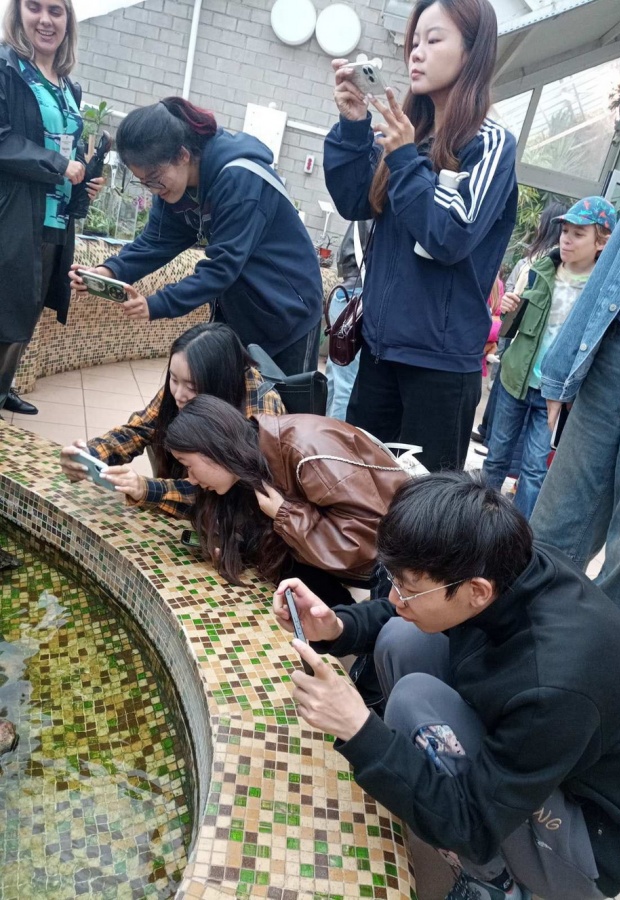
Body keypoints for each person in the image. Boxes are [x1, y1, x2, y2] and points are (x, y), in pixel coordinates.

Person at [274, 472, 620, 900]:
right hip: (540, 756)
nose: (394, 598)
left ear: (477, 592)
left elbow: (475, 827)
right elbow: (403, 613)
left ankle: (496, 883)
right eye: (394, 580)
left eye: (407, 589)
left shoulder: (553, 685)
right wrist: (336, 625)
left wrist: (359, 731)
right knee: (403, 638)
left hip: (597, 839)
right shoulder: (498, 565)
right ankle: (433, 789)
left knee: (411, 702)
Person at [324, 0, 518, 472]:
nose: (416, 52)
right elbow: (354, 202)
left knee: (422, 508)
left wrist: (405, 158)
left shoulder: (489, 143)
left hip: (440, 371)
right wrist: (354, 126)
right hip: (379, 353)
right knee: (360, 490)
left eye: (433, 40)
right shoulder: (407, 136)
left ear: (472, 51)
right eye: (414, 42)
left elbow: (450, 235)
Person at [530, 140, 620, 654]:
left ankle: (596, 690)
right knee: (551, 533)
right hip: (613, 346)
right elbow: (614, 266)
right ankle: (512, 664)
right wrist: (562, 369)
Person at [70, 97, 323, 376]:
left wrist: (156, 304)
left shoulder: (239, 179)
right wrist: (108, 271)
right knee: (229, 400)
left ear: (182, 155)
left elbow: (222, 268)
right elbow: (156, 242)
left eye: (154, 178)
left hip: (288, 311)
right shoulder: (175, 188)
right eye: (144, 183)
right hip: (241, 310)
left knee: (284, 404)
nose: (153, 190)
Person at [164, 394, 409, 604]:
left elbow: (367, 541)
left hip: (401, 555)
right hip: (337, 562)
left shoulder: (305, 451)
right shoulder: (248, 459)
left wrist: (285, 514)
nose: (191, 479)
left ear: (213, 449)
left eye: (189, 465)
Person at [59, 323, 284, 518]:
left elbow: (233, 494)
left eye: (192, 387)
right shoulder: (181, 391)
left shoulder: (261, 414)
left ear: (220, 382)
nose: (179, 395)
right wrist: (91, 455)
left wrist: (146, 489)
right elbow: (138, 430)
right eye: (174, 380)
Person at [0, 0, 104, 417]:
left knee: (27, 308)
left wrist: (84, 180)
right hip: (12, 213)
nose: (45, 19)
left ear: (68, 21)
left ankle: (3, 385)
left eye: (56, 11)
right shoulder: (6, 68)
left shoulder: (68, 87)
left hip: (52, 218)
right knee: (7, 307)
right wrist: (58, 164)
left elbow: (69, 146)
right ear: (18, 13)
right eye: (35, 7)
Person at [482, 198, 616, 518]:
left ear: (601, 242)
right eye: (565, 231)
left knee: (534, 471)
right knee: (495, 459)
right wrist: (509, 310)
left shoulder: (604, 292)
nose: (567, 239)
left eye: (578, 234)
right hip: (516, 379)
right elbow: (509, 332)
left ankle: (517, 538)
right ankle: (475, 524)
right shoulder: (540, 270)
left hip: (555, 392)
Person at [472, 201, 568, 450]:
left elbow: (515, 290)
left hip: (522, 334)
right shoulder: (540, 259)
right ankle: (488, 433)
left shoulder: (546, 262)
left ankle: (489, 434)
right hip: (516, 329)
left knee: (508, 387)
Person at [325, 218, 371, 420]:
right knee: (347, 385)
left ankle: (322, 431)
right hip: (358, 300)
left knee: (334, 378)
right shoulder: (379, 212)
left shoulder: (363, 212)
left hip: (344, 294)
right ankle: (336, 437)